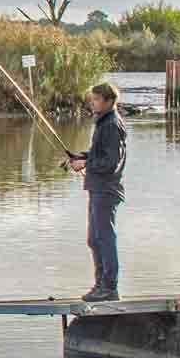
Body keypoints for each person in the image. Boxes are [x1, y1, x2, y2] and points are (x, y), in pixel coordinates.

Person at [65, 81, 127, 301]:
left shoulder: (111, 124)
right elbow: (98, 154)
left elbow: (111, 162)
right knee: (94, 239)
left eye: (96, 100)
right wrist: (80, 157)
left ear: (109, 101)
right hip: (97, 189)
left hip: (106, 190)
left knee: (104, 238)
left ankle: (109, 287)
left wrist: (85, 165)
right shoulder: (103, 122)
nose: (92, 104)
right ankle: (100, 284)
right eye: (92, 100)